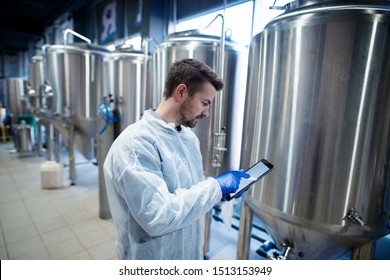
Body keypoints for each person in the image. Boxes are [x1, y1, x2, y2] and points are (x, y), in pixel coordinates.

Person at [103, 58, 249, 260]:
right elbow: (157, 216)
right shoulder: (136, 144)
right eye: (204, 103)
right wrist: (215, 187)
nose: (207, 113)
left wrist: (217, 193)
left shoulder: (187, 137)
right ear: (181, 92)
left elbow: (188, 194)